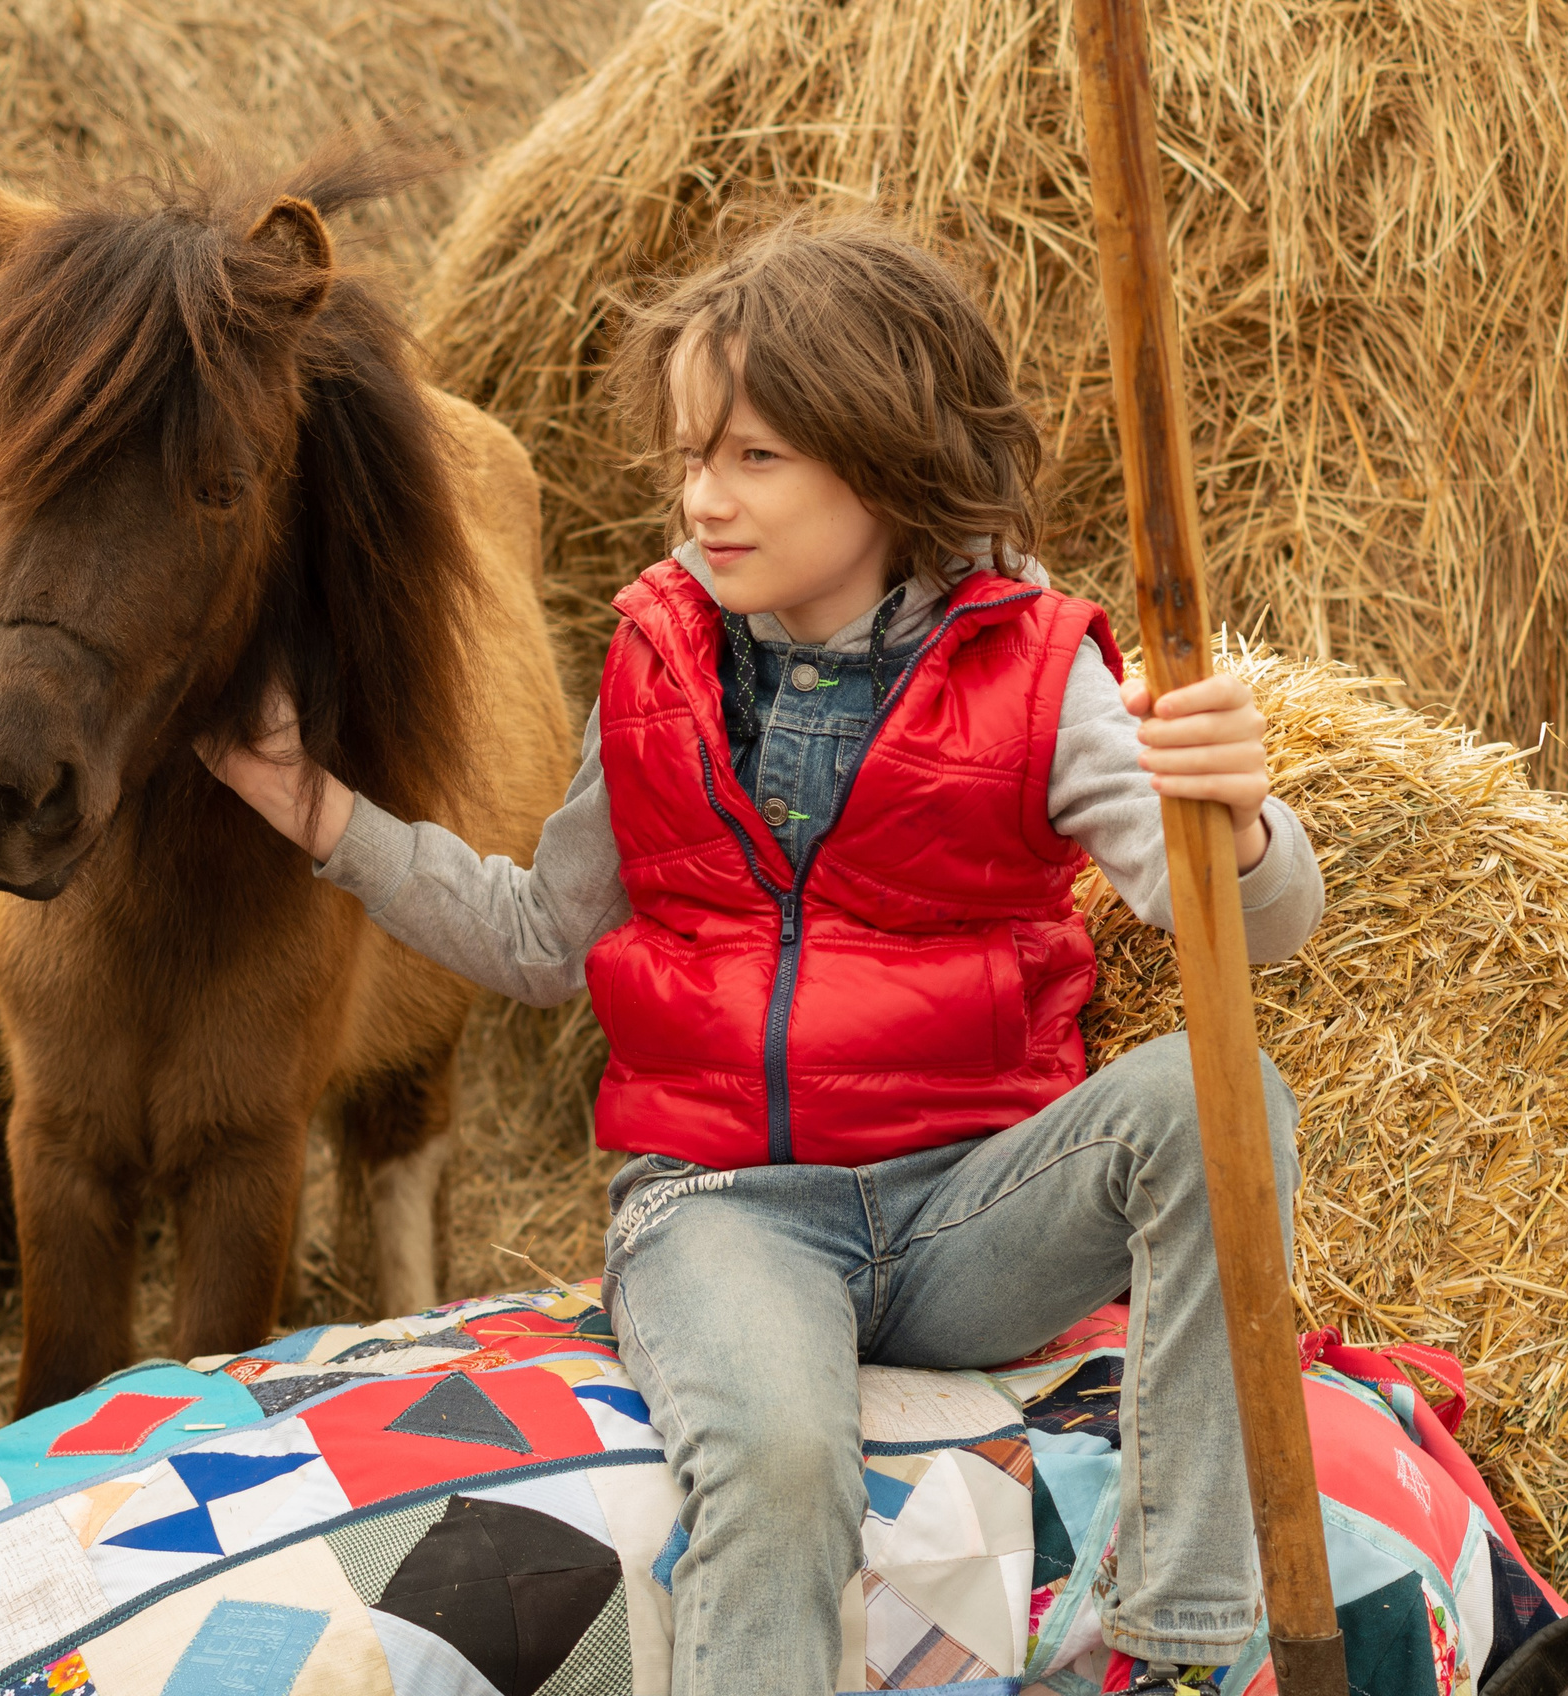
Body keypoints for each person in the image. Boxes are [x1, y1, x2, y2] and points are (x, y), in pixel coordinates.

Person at [203, 215, 1323, 1695]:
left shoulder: (1041, 672)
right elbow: (547, 938)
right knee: (783, 1465)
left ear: (883, 455)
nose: (702, 501)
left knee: (1219, 1094)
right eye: (689, 458)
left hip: (963, 1208)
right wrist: (324, 814)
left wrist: (1237, 827)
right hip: (726, 1210)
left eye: (753, 458)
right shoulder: (658, 660)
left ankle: (1179, 1644)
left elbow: (1255, 931)